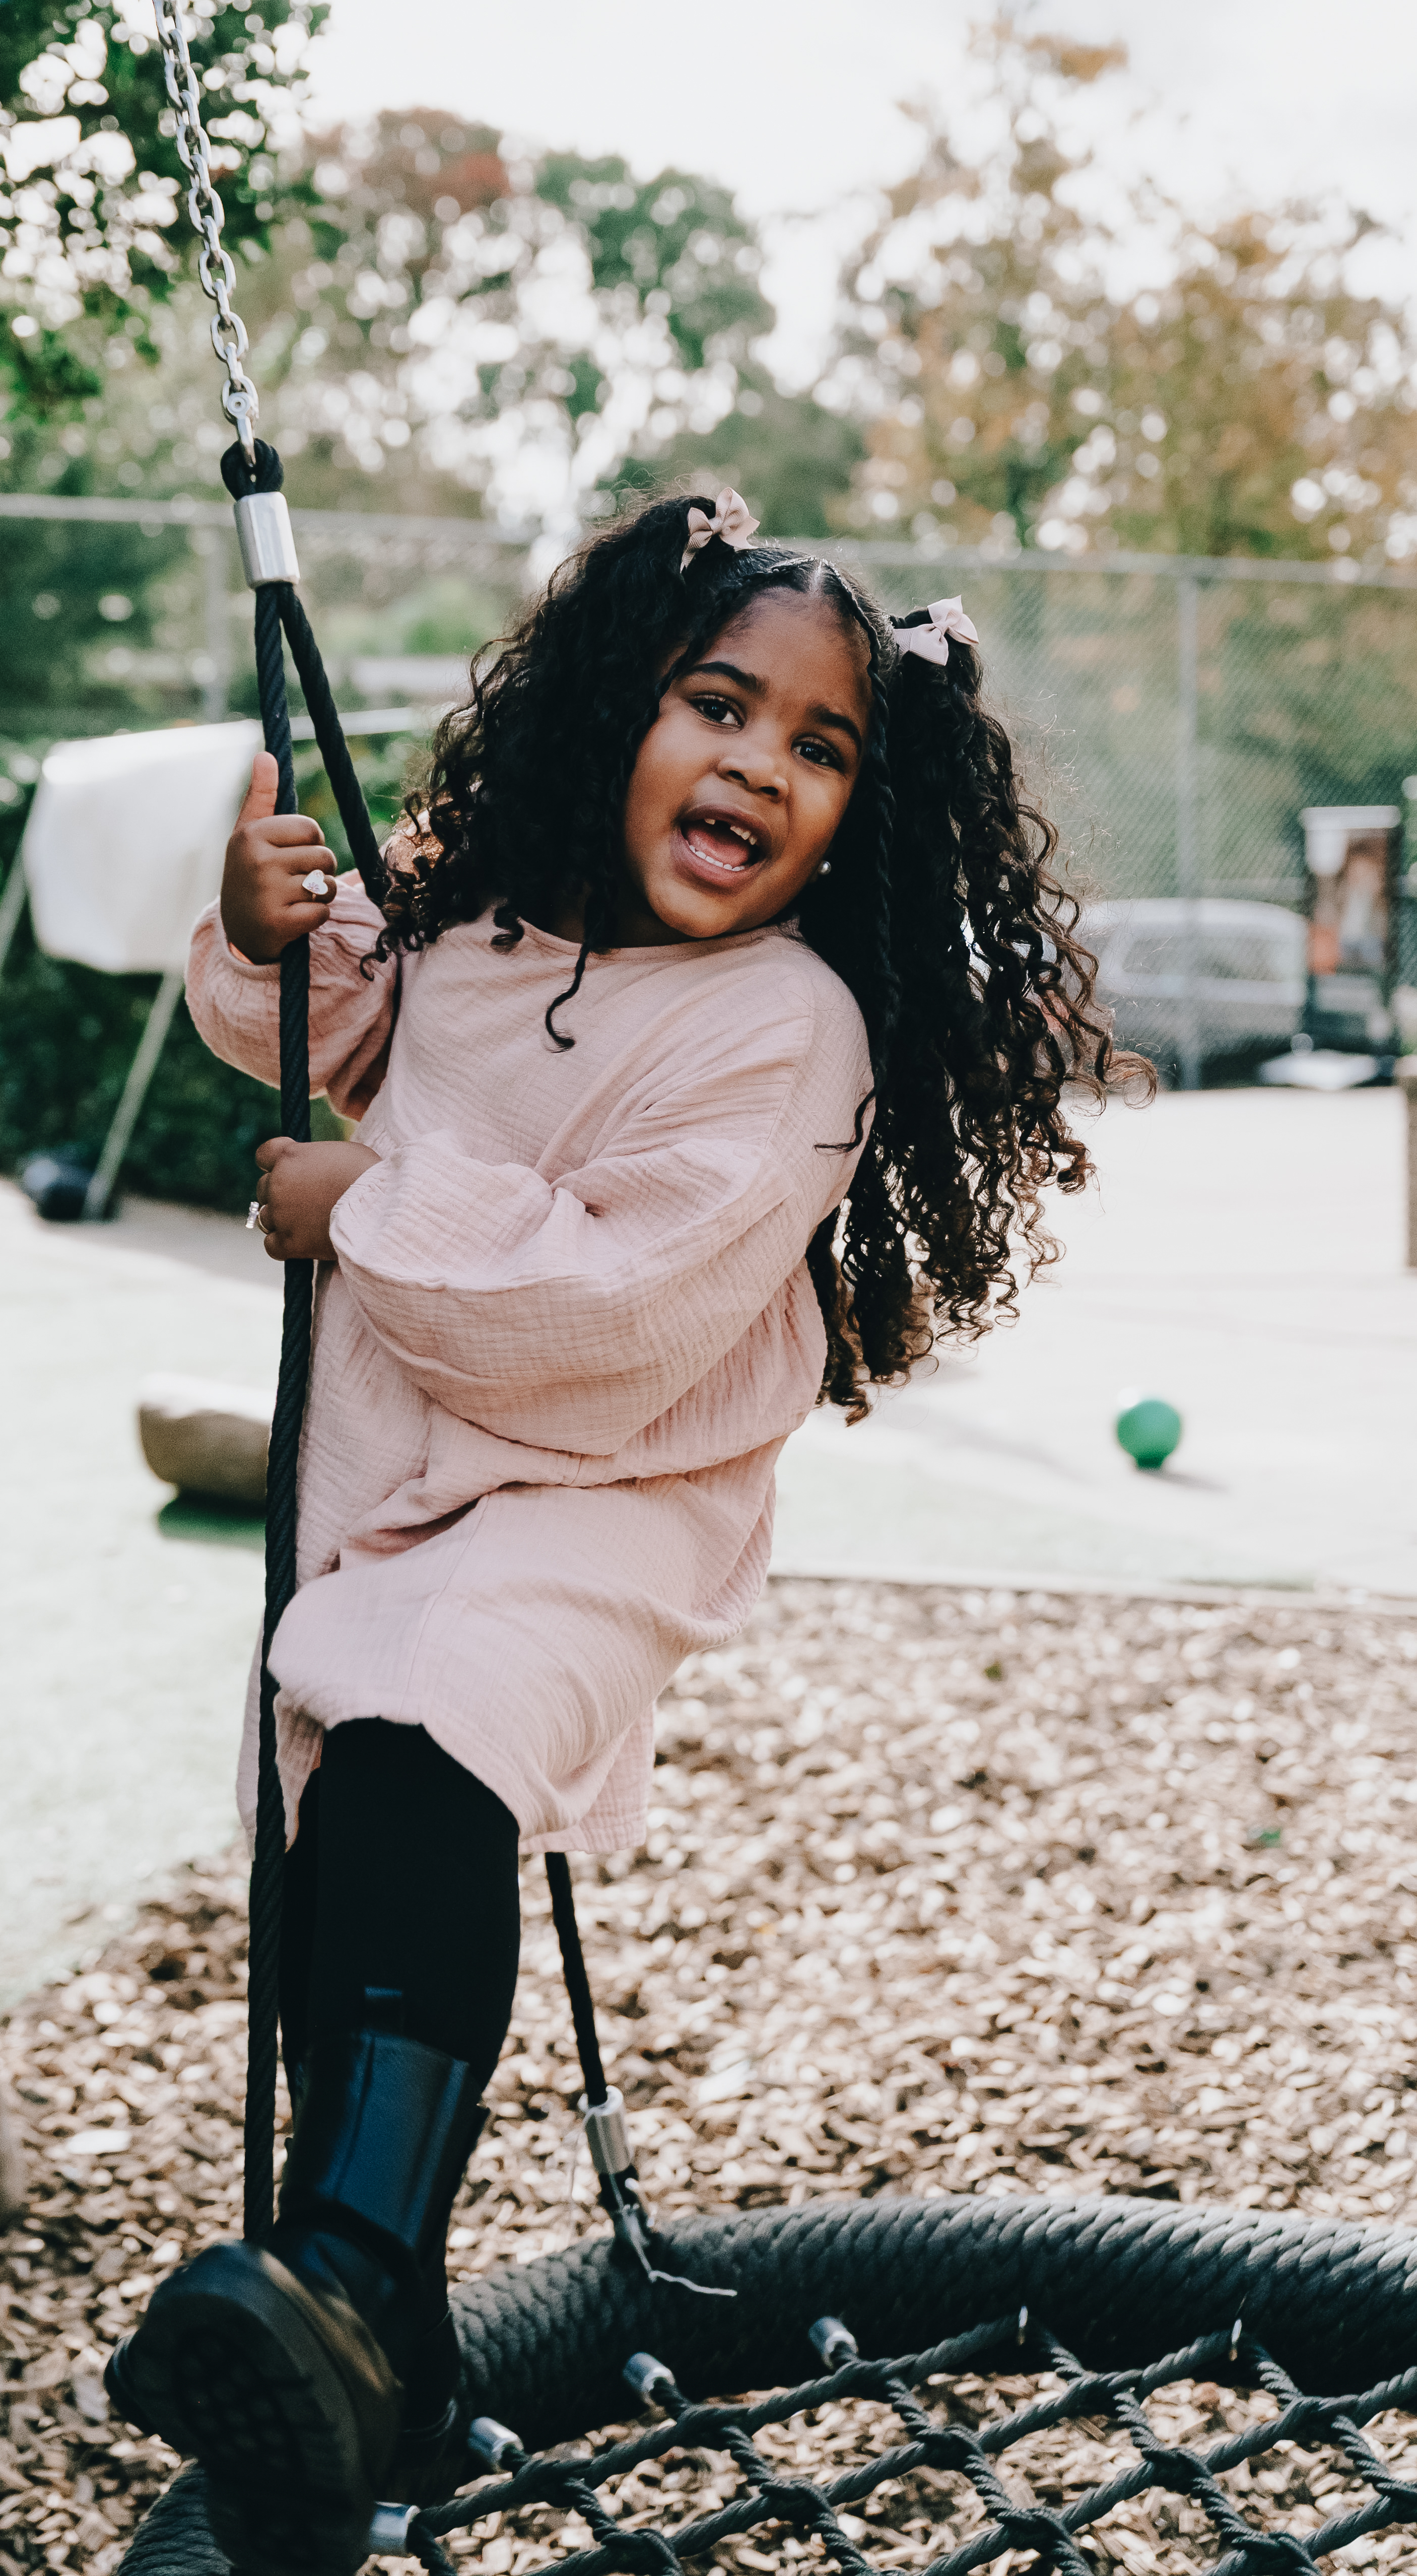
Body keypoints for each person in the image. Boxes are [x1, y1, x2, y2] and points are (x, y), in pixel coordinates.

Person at [105, 489, 1124, 2571]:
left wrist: (363, 1204)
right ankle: (371, 2325)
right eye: (715, 703)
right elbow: (319, 1030)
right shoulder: (479, 925)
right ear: (615, 712)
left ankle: (350, 2259)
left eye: (816, 745)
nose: (756, 763)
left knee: (425, 1735)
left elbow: (618, 1307)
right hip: (393, 1473)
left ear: (857, 815)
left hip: (602, 1497)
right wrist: (265, 926)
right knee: (336, 1861)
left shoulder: (786, 1027)